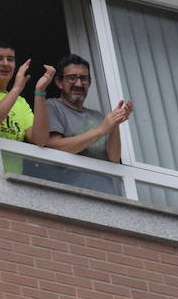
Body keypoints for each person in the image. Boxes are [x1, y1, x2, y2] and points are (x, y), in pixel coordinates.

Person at [43, 53, 133, 195]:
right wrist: (101, 130)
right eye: (72, 78)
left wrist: (114, 124)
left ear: (89, 83)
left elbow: (113, 158)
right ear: (59, 82)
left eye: (83, 79)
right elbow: (55, 145)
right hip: (72, 194)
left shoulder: (97, 116)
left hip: (107, 194)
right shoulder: (51, 106)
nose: (79, 84)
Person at [0, 36, 55, 146]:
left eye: (10, 59)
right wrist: (17, 88)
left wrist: (40, 91)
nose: (6, 63)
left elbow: (40, 140)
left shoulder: (21, 103)